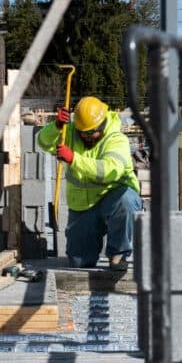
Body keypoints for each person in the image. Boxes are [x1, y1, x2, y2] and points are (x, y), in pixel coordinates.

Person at [37, 96, 142, 270]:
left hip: (112, 199)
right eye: (82, 132)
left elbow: (110, 170)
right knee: (80, 262)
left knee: (127, 201)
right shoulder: (71, 132)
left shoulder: (116, 139)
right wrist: (55, 127)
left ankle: (119, 254)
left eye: (90, 132)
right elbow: (42, 142)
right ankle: (87, 249)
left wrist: (73, 158)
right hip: (84, 206)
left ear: (101, 126)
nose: (85, 136)